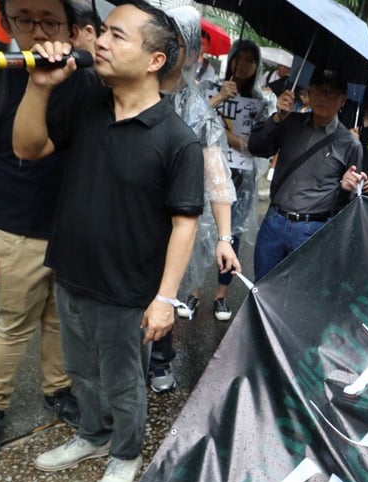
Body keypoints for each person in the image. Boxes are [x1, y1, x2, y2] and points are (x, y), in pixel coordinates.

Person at [13, 0, 203, 482]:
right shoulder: (86, 105)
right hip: (72, 272)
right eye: (102, 32)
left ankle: (125, 452)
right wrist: (39, 87)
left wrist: (166, 298)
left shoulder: (177, 139)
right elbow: (28, 149)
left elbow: (185, 225)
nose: (99, 40)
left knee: (124, 381)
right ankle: (92, 435)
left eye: (118, 36)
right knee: (80, 370)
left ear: (154, 60)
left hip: (128, 291)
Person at [0, 0, 93, 459]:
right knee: (13, 324)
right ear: (7, 22)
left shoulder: (87, 77)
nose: (37, 31)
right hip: (19, 232)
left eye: (50, 21)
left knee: (61, 321)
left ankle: (58, 389)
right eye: (24, 20)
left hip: (74, 230)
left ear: (73, 29)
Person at [147, 4, 240, 393]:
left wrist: (224, 237)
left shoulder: (198, 107)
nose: (171, 50)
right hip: (127, 213)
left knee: (165, 288)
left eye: (178, 42)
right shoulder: (125, 90)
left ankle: (159, 360)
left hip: (171, 220)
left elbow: (216, 176)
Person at [248, 67, 362, 281]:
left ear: (343, 100)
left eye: (332, 93)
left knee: (299, 295)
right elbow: (256, 147)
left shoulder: (350, 144)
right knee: (262, 289)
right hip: (274, 222)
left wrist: (347, 189)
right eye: (319, 90)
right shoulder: (290, 123)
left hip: (313, 230)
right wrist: (276, 118)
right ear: (309, 92)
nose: (324, 98)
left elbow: (351, 204)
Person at [193, 39, 273, 321]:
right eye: (241, 58)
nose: (245, 64)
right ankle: (193, 293)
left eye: (252, 60)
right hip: (207, 168)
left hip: (240, 176)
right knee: (201, 232)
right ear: (232, 59)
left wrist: (231, 138)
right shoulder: (209, 89)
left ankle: (221, 296)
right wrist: (216, 101)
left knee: (232, 234)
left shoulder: (259, 102)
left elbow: (259, 143)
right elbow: (192, 124)